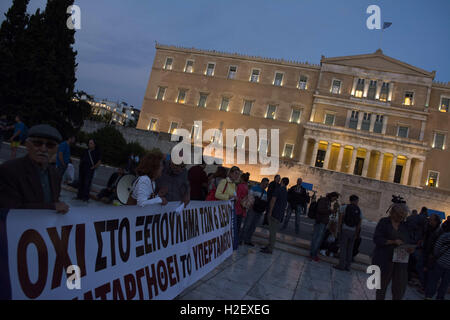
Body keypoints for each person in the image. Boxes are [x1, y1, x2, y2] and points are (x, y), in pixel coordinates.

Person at [0, 124, 69, 213]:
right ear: (27, 145)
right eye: (37, 143)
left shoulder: (55, 173)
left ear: (56, 149)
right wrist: (51, 207)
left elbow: (54, 200)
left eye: (50, 145)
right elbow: (9, 209)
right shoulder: (9, 170)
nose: (43, 149)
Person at [372, 203, 415, 300]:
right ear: (393, 212)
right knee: (381, 287)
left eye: (402, 216)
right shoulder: (384, 222)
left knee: (399, 288)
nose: (401, 218)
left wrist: (409, 248)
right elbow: (377, 239)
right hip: (384, 259)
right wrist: (392, 241)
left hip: (400, 261)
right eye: (399, 215)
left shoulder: (405, 226)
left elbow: (409, 240)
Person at [260, 177, 289, 254]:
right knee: (273, 231)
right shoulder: (286, 191)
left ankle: (270, 248)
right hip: (280, 214)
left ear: (282, 181)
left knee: (272, 232)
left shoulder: (278, 189)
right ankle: (269, 246)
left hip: (274, 213)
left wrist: (270, 211)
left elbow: (273, 200)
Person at [334, 195, 362, 271]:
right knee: (350, 249)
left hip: (345, 229)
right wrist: (356, 233)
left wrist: (339, 230)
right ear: (356, 201)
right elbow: (359, 223)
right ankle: (348, 266)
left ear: (350, 200)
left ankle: (341, 265)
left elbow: (340, 219)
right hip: (353, 231)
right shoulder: (358, 209)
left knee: (343, 248)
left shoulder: (344, 207)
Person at [215, 166, 240, 249]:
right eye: (235, 173)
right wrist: (229, 197)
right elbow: (217, 194)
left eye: (238, 174)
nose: (237, 176)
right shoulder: (224, 181)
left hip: (229, 210)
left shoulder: (234, 184)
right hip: (221, 210)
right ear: (230, 173)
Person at [310, 192, 340, 262]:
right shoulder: (324, 200)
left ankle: (313, 254)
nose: (334, 200)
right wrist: (330, 211)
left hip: (322, 222)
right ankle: (313, 254)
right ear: (332, 196)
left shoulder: (327, 201)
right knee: (317, 239)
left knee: (317, 238)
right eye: (334, 198)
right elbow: (320, 209)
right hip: (320, 222)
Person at [417, 214, 443, 292]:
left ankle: (425, 287)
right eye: (429, 219)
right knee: (420, 267)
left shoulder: (439, 231)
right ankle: (424, 285)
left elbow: (438, 244)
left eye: (431, 220)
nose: (429, 221)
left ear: (436, 221)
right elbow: (426, 238)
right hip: (425, 251)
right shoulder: (429, 228)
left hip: (431, 255)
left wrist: (433, 255)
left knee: (427, 271)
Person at [424, 222, 450, 300]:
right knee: (445, 283)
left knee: (434, 280)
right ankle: (440, 297)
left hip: (440, 262)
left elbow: (436, 247)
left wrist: (437, 255)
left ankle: (429, 296)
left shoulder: (445, 236)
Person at [241, 178, 269, 246]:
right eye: (266, 184)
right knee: (247, 224)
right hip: (252, 209)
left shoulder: (265, 192)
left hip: (259, 211)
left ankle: (248, 240)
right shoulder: (254, 188)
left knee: (253, 226)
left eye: (267, 184)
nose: (266, 185)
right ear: (262, 182)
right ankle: (241, 239)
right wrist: (250, 205)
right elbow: (249, 196)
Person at [235, 172, 250, 243]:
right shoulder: (246, 186)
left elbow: (236, 197)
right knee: (238, 225)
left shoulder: (240, 186)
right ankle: (238, 239)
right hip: (242, 208)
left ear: (242, 178)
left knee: (235, 224)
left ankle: (234, 239)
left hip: (237, 207)